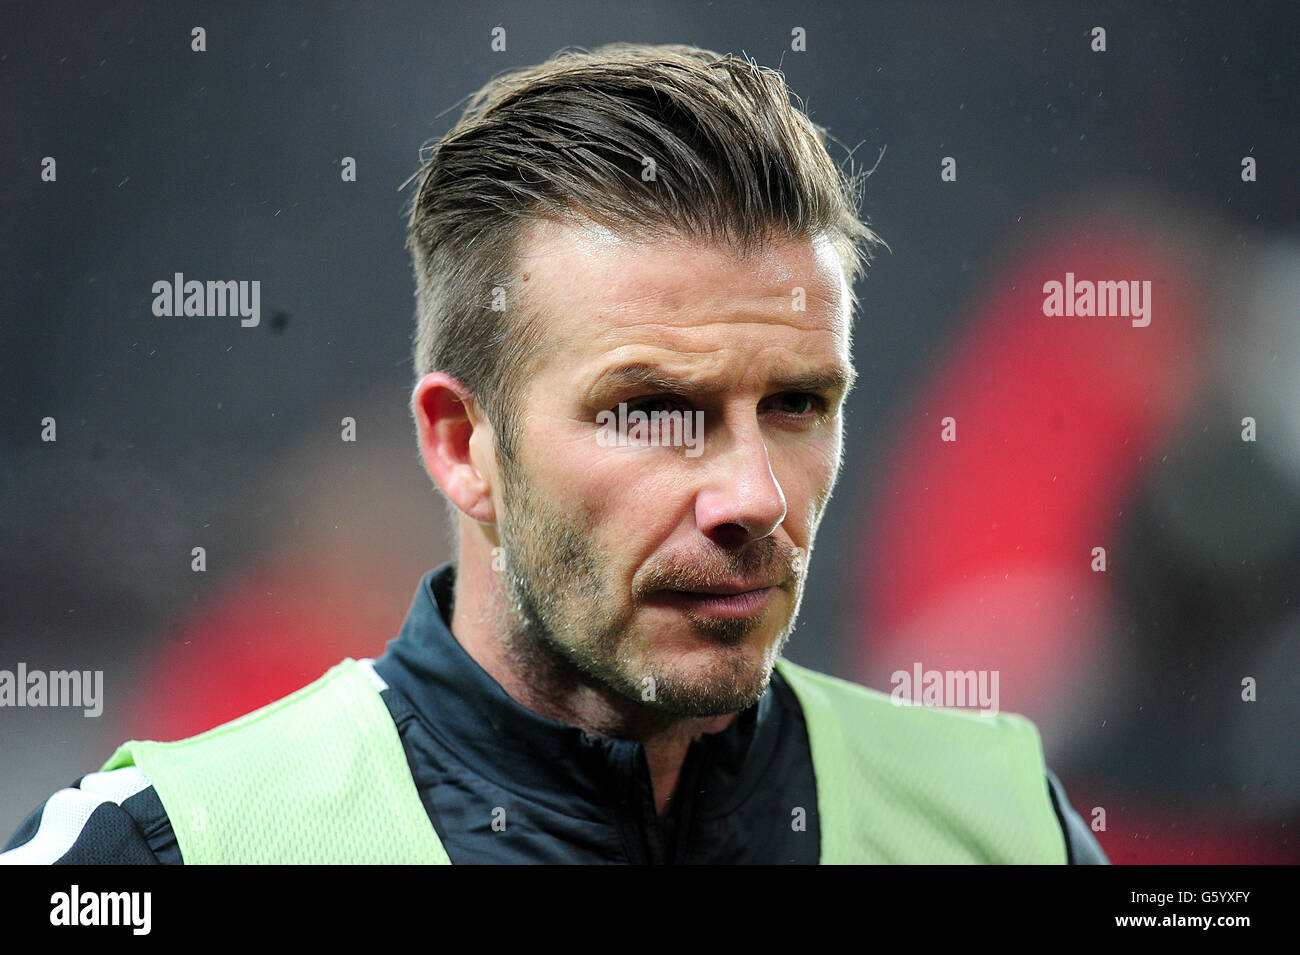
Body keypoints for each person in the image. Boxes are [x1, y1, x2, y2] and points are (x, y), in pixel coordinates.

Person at [2, 42, 1106, 864]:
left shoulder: (1006, 822)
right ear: (461, 444)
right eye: (650, 410)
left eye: (796, 405)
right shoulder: (172, 849)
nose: (752, 495)